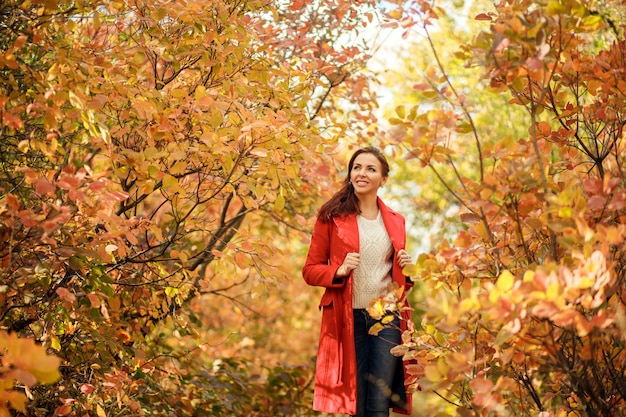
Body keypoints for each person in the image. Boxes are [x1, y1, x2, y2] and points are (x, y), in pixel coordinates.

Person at [302, 146, 414, 417]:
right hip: (347, 318)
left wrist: (407, 271)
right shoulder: (331, 217)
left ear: (383, 179)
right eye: (357, 167)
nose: (362, 173)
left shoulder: (396, 221)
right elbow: (309, 270)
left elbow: (394, 277)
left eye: (370, 169)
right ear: (351, 173)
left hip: (386, 318)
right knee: (356, 404)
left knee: (378, 402)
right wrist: (337, 272)